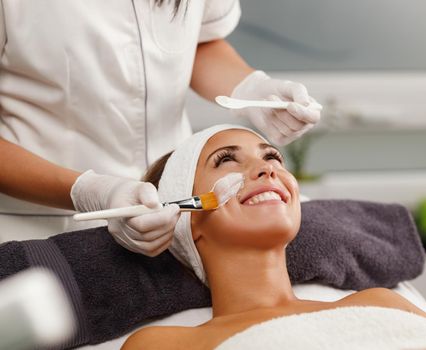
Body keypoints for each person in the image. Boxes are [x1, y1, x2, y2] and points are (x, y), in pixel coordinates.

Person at [0, 1, 321, 256]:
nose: (265, 172)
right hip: (42, 227)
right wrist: (89, 192)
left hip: (175, 222)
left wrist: (251, 88)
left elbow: (197, 41)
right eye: (225, 159)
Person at [121, 125, 426, 350]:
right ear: (186, 220)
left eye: (272, 157)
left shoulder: (384, 303)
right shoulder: (165, 344)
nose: (268, 168)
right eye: (226, 160)